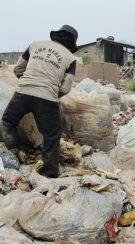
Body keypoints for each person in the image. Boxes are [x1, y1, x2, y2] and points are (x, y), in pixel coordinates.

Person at [1, 25, 78, 178]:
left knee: (7, 122)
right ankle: (50, 171)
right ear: (71, 43)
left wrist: (28, 83)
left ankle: (14, 154)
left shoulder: (34, 45)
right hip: (47, 98)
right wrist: (50, 92)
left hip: (23, 93)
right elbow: (66, 88)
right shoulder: (71, 58)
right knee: (51, 134)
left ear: (55, 36)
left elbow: (17, 69)